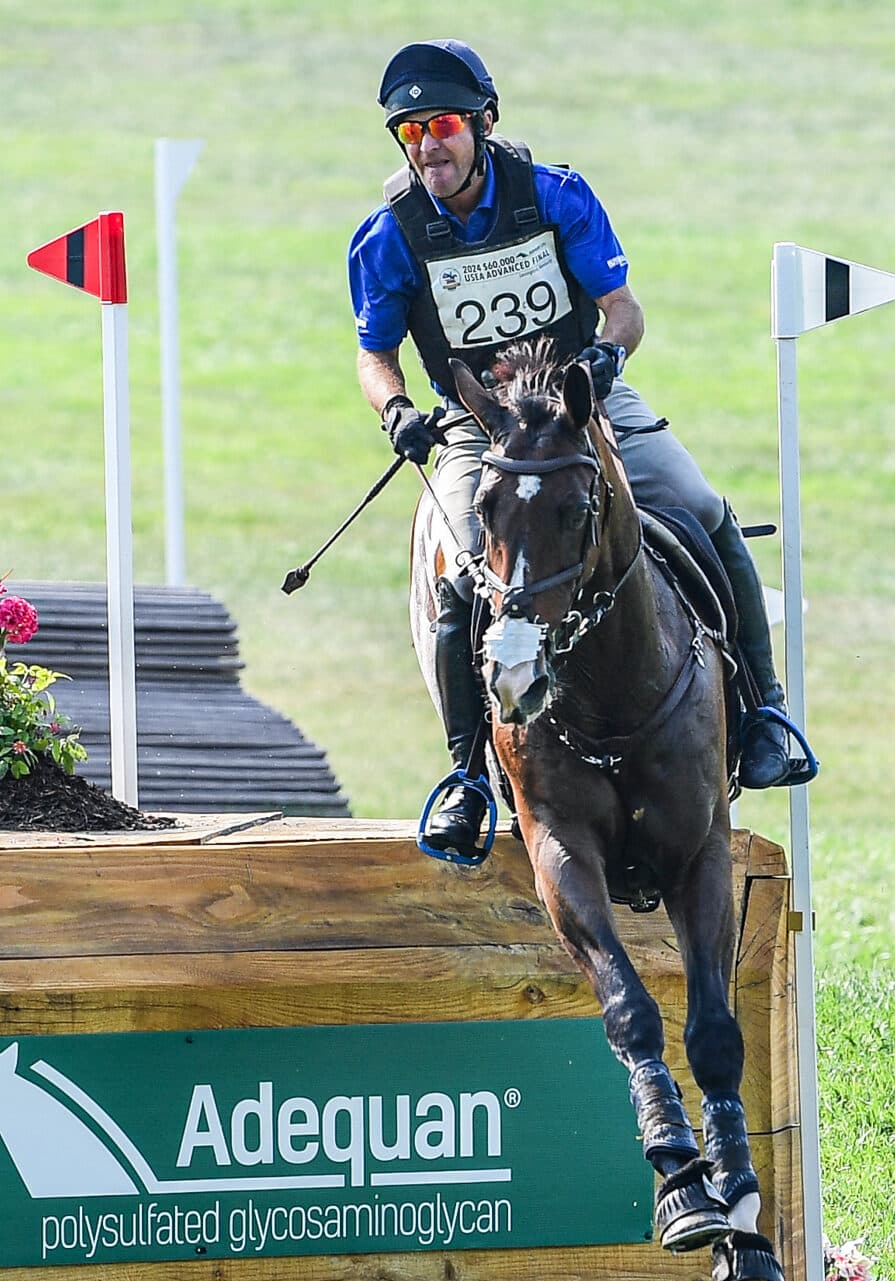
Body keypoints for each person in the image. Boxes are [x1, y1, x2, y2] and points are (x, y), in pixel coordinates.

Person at [346, 40, 814, 857]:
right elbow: (375, 355)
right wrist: (396, 411)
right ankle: (467, 776)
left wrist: (605, 357)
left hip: (580, 401)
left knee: (700, 507)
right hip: (479, 423)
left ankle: (764, 712)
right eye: (411, 133)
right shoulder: (388, 235)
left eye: (444, 126)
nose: (428, 147)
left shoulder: (556, 195)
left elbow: (623, 310)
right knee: (461, 575)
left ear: (485, 123)